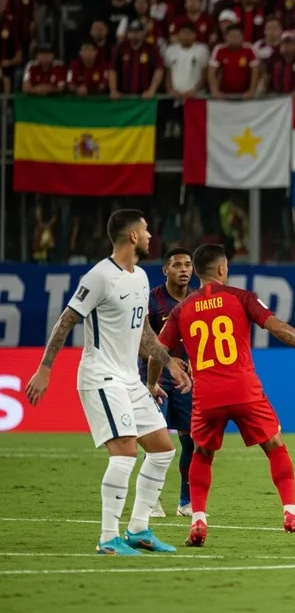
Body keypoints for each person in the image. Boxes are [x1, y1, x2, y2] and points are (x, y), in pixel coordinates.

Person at [25, 209, 192, 555]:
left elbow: (144, 333)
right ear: (132, 236)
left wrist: (169, 363)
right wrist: (45, 368)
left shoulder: (141, 278)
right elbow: (66, 321)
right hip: (101, 377)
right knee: (125, 454)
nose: (149, 236)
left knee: (163, 450)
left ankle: (139, 530)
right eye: (145, 231)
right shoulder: (99, 276)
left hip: (130, 379)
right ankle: (107, 538)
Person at [156, 244, 295, 547]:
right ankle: (291, 512)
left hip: (206, 396)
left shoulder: (181, 309)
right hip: (244, 390)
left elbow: (157, 351)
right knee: (275, 446)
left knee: (202, 454)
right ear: (221, 269)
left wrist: (154, 382)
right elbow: (278, 328)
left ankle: (198, 519)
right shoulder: (240, 297)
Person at [144, 248, 195, 517]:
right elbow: (140, 341)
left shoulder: (198, 300)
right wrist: (168, 363)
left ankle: (185, 502)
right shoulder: (151, 301)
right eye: (177, 265)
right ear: (165, 270)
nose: (184, 270)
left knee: (192, 441)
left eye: (188, 264)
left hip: (186, 381)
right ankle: (152, 501)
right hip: (155, 378)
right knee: (157, 441)